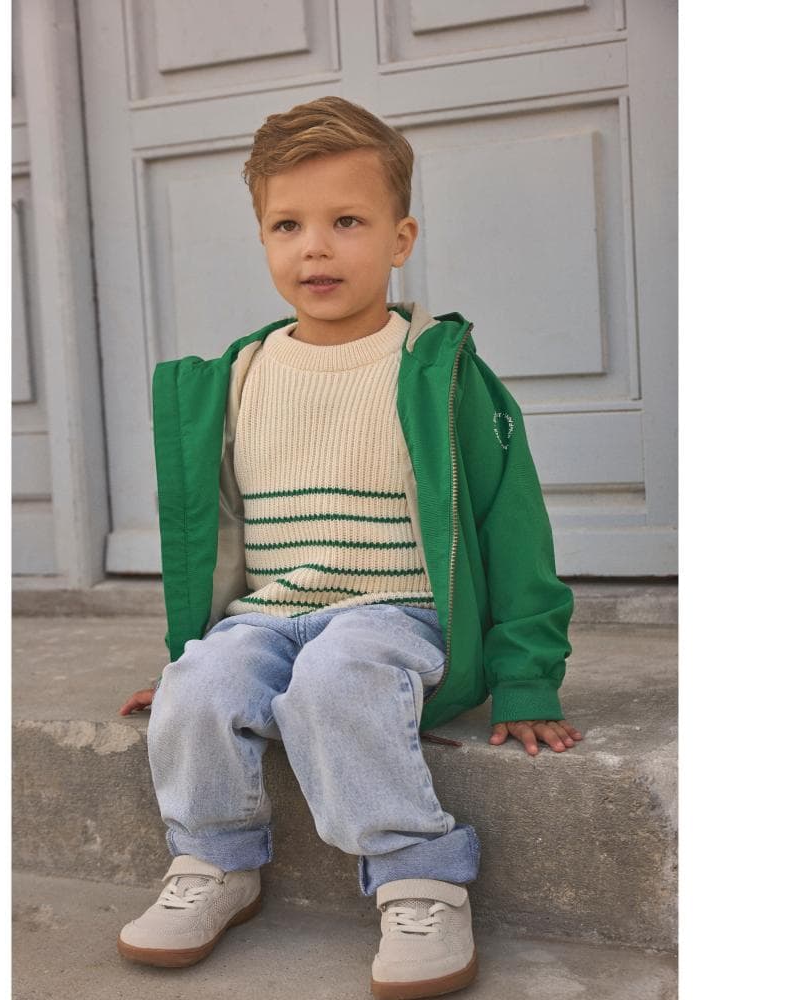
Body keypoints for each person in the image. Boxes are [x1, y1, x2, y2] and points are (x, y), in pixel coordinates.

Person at [116, 95, 580, 999]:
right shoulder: (235, 378)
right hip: (269, 615)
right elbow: (217, 535)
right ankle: (214, 861)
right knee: (201, 686)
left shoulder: (439, 373)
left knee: (336, 678)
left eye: (347, 222)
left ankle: (417, 875)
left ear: (401, 240)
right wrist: (189, 656)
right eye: (287, 225)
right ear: (262, 237)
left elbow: (512, 524)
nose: (315, 249)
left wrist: (527, 677)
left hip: (395, 613)